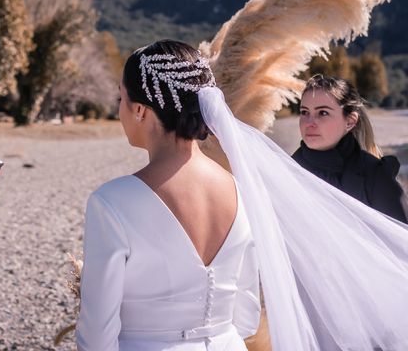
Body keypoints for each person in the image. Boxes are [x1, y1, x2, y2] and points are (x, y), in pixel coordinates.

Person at [76, 39, 408, 351]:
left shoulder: (111, 203)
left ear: (139, 110)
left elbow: (96, 336)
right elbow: (246, 318)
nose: (120, 109)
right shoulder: (242, 189)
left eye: (122, 98)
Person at [292, 74, 406, 223]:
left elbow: (401, 241)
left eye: (323, 113)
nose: (309, 122)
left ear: (350, 122)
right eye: (304, 112)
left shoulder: (375, 177)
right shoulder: (286, 169)